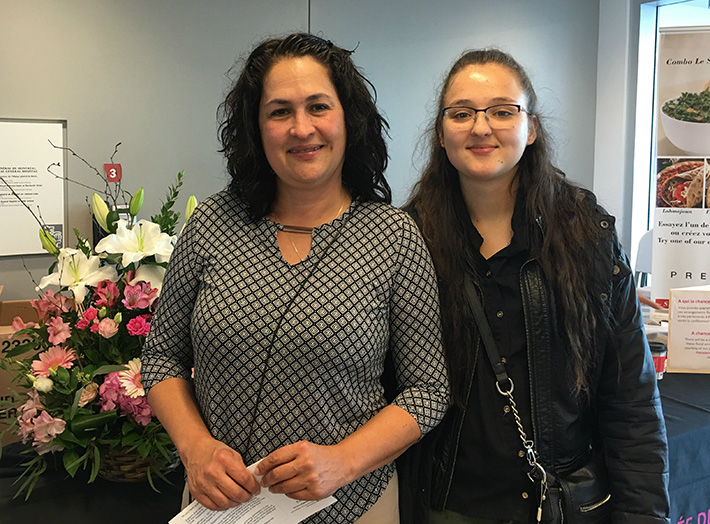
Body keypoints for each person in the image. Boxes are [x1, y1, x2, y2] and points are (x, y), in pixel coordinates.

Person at [140, 33, 450, 524]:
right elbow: (161, 358)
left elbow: (428, 391)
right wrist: (196, 448)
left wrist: (342, 461)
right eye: (279, 111)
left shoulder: (393, 236)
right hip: (221, 504)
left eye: (318, 107)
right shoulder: (212, 224)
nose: (301, 128)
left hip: (353, 502)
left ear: (348, 119)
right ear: (256, 128)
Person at [399, 48, 670, 524]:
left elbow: (629, 401)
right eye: (461, 113)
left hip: (563, 505)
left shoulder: (586, 234)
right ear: (441, 133)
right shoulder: (406, 240)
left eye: (503, 111)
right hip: (445, 506)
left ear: (532, 126)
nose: (481, 127)